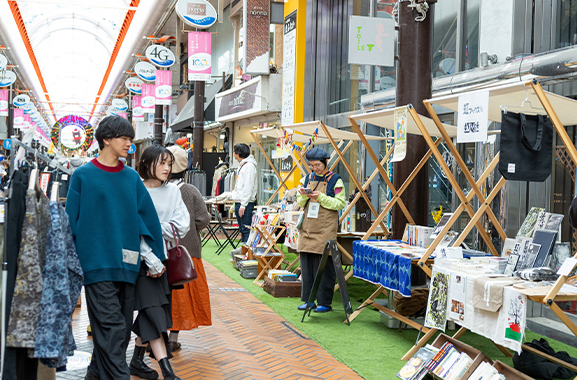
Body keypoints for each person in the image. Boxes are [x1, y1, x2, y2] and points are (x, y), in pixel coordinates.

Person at [65, 115, 165, 380]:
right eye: (124, 138)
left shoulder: (131, 178)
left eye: (131, 139)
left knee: (116, 333)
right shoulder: (83, 176)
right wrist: (71, 265)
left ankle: (95, 374)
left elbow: (149, 219)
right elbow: (69, 224)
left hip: (128, 266)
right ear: (106, 139)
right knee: (112, 329)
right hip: (95, 265)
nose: (129, 144)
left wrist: (158, 258)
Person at [131, 144, 190, 380]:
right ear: (147, 163)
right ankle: (167, 370)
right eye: (162, 163)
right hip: (141, 261)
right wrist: (149, 252)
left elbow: (182, 225)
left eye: (169, 163)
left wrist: (153, 228)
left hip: (164, 262)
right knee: (155, 312)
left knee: (150, 311)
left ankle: (136, 361)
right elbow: (133, 229)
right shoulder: (136, 189)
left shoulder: (173, 191)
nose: (167, 168)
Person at [166, 145, 212, 351]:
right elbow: (204, 219)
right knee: (182, 297)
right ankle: (172, 339)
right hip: (187, 252)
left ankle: (154, 338)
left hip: (159, 251)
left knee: (160, 296)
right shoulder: (190, 190)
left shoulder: (157, 188)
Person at [296, 147, 346, 313]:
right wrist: (303, 194)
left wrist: (321, 197)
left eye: (317, 165)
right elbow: (301, 202)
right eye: (311, 165)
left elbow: (340, 203)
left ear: (325, 162)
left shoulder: (335, 180)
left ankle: (325, 302)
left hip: (325, 229)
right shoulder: (307, 178)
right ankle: (308, 300)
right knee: (306, 265)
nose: (314, 168)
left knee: (324, 266)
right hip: (308, 227)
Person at [229, 143, 258, 256]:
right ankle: (243, 253)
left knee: (246, 229)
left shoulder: (249, 166)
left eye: (234, 152)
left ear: (238, 153)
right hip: (240, 201)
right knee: (242, 229)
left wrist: (243, 205)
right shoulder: (243, 165)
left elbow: (248, 187)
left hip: (245, 203)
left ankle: (246, 254)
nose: (234, 155)